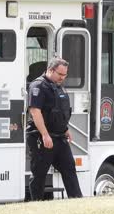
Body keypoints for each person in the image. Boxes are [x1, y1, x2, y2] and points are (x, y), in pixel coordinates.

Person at [26, 57, 82, 200]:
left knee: (69, 169)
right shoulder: (38, 86)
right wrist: (44, 135)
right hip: (42, 138)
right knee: (39, 174)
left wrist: (65, 129)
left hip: (59, 137)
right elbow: (35, 111)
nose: (62, 78)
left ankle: (77, 202)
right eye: (60, 74)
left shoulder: (58, 86)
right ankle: (36, 206)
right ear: (51, 70)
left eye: (65, 75)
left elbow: (58, 111)